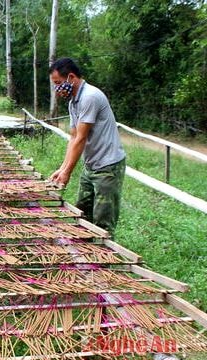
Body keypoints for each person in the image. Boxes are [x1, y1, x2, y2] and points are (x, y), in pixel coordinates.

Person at [48, 58, 126, 238]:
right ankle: (85, 258)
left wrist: (67, 172)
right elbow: (73, 137)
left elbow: (82, 138)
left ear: (71, 77)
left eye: (58, 83)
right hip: (91, 165)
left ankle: (105, 262)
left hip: (107, 167)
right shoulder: (73, 102)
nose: (57, 89)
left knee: (103, 221)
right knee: (82, 212)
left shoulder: (89, 97)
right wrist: (62, 168)